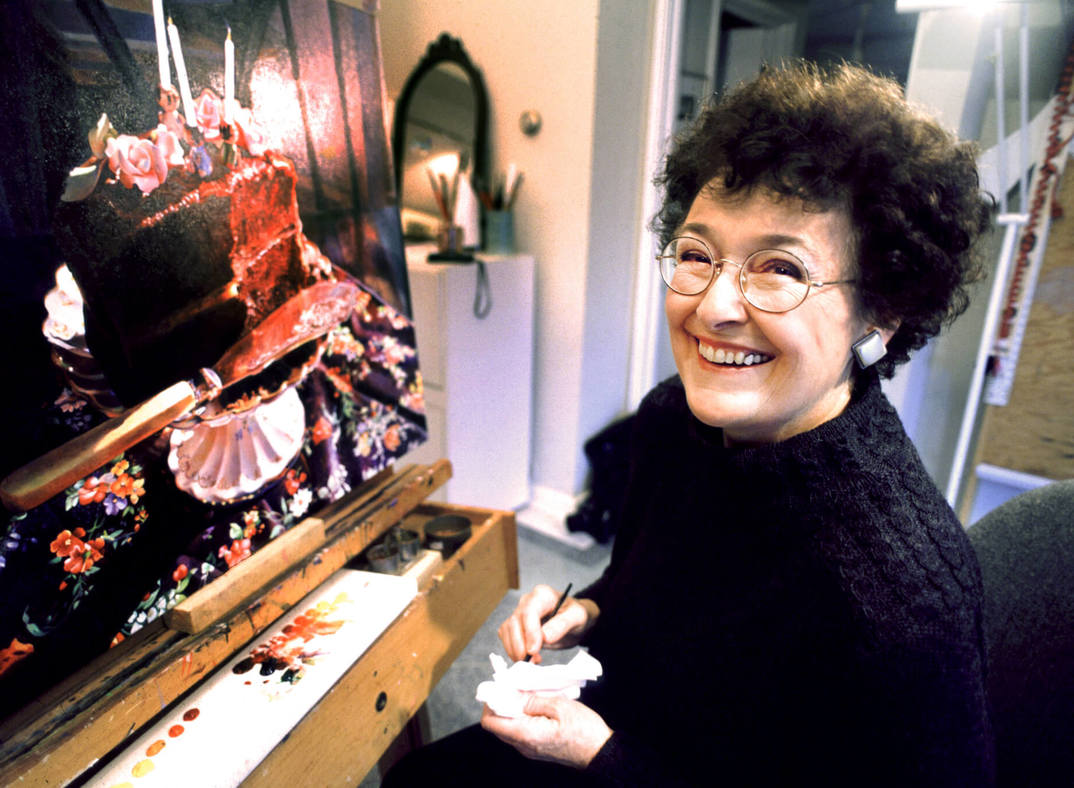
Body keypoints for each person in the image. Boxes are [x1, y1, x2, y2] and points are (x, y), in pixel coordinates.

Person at [383, 60, 994, 786]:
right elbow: (657, 589)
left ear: (884, 313)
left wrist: (602, 756)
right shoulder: (672, 423)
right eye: (699, 255)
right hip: (620, 730)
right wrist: (588, 612)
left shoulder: (903, 606)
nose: (711, 307)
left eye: (780, 269)